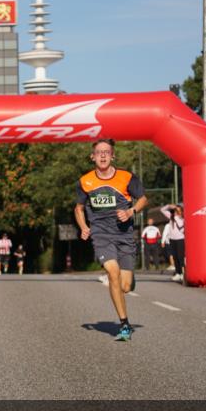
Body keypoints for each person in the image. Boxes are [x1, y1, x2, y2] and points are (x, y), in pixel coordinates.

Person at [75, 138, 148, 342]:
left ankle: (126, 280)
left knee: (126, 286)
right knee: (112, 272)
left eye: (107, 152)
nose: (103, 155)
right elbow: (79, 208)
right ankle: (124, 325)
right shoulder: (85, 181)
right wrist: (83, 227)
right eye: (99, 152)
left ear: (113, 155)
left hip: (124, 235)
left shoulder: (126, 177)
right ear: (93, 157)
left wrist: (131, 211)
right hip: (101, 234)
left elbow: (143, 198)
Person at [160, 204, 186, 282]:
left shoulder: (183, 219)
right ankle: (178, 273)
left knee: (180, 257)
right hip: (172, 239)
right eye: (175, 210)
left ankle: (183, 273)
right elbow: (162, 210)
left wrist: (177, 217)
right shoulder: (171, 217)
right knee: (175, 257)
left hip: (180, 239)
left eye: (178, 210)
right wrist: (169, 206)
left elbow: (181, 227)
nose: (176, 212)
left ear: (181, 211)